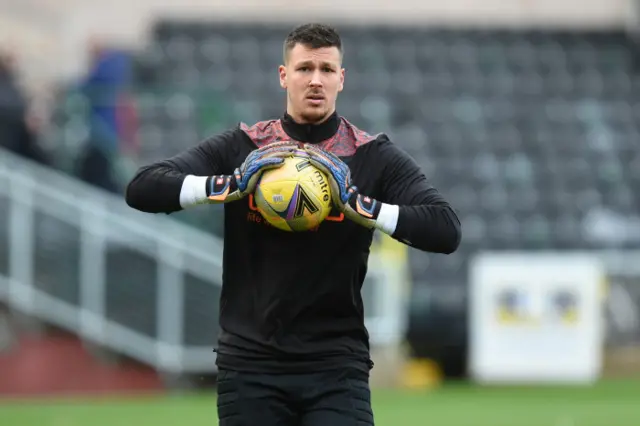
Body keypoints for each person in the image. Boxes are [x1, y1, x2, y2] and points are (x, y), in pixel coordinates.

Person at [125, 23, 461, 426]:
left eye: (326, 69)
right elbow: (142, 188)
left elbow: (446, 229)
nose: (315, 80)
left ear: (342, 79)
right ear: (284, 75)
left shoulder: (372, 156)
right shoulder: (245, 147)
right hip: (250, 366)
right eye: (304, 68)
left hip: (337, 366)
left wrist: (362, 206)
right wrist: (229, 186)